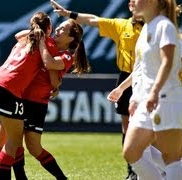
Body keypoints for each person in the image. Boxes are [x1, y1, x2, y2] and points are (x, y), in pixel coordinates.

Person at [50, 0, 143, 179]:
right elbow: (93, 20)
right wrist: (69, 14)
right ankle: (132, 171)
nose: (135, 5)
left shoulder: (153, 28)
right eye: (132, 3)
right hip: (126, 77)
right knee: (127, 127)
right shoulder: (121, 25)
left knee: (151, 125)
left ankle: (164, 166)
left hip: (147, 79)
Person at [0, 11, 62, 179]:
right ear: (49, 28)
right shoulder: (47, 42)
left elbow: (17, 34)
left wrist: (35, 33)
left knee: (4, 138)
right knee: (13, 140)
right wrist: (56, 86)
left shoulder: (23, 39)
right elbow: (52, 72)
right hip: (8, 88)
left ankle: (20, 176)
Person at [119, 0, 182, 179]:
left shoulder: (165, 26)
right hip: (148, 99)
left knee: (171, 158)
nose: (131, 2)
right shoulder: (147, 28)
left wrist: (154, 91)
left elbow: (167, 62)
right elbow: (142, 70)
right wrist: (135, 98)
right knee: (131, 151)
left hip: (168, 98)